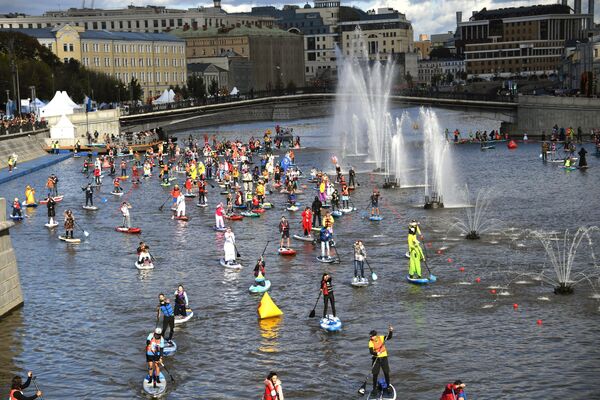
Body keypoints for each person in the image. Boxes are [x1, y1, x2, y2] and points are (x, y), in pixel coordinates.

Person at [369, 326, 394, 396]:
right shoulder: (370, 342)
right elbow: (371, 351)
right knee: (375, 374)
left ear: (375, 336)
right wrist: (376, 353)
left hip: (384, 358)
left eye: (371, 336)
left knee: (386, 373)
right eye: (370, 336)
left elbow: (389, 337)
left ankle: (388, 386)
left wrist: (391, 331)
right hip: (376, 359)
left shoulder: (381, 338)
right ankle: (374, 389)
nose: (371, 337)